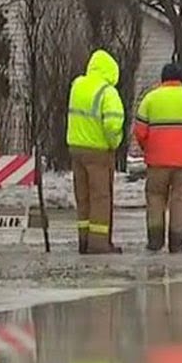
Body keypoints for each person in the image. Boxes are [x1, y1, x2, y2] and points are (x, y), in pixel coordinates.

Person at [133, 63, 182, 253]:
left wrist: (148, 149)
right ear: (181, 79)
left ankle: (155, 240)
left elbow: (140, 131)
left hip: (157, 160)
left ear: (163, 79)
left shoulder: (150, 99)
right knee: (180, 199)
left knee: (155, 197)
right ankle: (176, 242)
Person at [67, 49, 125, 254]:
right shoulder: (108, 92)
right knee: (100, 197)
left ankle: (83, 240)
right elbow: (113, 124)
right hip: (99, 151)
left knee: (82, 197)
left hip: (76, 149)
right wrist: (114, 143)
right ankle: (99, 244)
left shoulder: (77, 86)